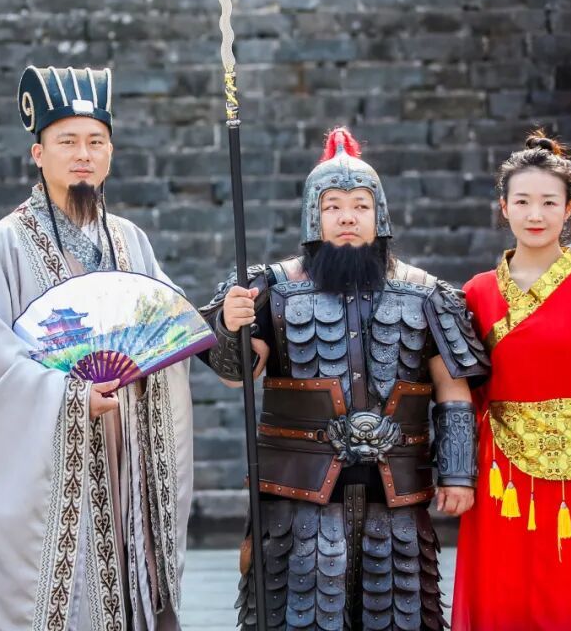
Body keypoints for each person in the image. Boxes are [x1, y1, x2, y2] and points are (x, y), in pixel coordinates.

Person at [199, 127, 489, 630]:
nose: (347, 217)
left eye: (360, 205)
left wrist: (458, 474)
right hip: (297, 499)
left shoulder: (425, 294)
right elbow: (237, 376)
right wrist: (230, 325)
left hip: (395, 498)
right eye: (333, 206)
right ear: (314, 215)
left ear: (380, 214)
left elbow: (452, 390)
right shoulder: (270, 289)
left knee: (398, 615)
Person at [0, 65, 195, 631]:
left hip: (129, 458)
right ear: (38, 154)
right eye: (67, 142)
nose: (82, 155)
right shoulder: (5, 244)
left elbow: (173, 333)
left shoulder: (131, 241)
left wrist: (222, 326)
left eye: (95, 141)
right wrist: (68, 396)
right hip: (56, 459)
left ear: (110, 154)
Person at [452, 131, 571, 630]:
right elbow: (461, 389)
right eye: (523, 201)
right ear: (504, 208)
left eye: (549, 202)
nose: (536, 214)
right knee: (502, 590)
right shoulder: (477, 293)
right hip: (500, 469)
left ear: (568, 209)